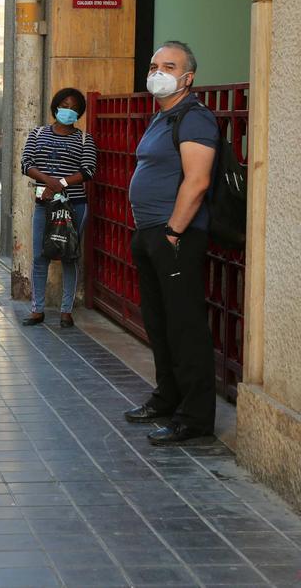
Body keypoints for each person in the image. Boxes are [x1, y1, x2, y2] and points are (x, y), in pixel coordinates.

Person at [122, 41, 219, 446]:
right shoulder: (160, 118)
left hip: (174, 236)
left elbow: (197, 181)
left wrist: (173, 233)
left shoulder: (194, 119)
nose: (157, 72)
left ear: (187, 77)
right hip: (150, 234)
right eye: (154, 65)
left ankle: (194, 418)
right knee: (159, 324)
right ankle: (167, 398)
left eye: (169, 66)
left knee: (184, 327)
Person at [20, 88, 97, 328]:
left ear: (79, 113)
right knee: (40, 255)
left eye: (74, 108)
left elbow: (88, 170)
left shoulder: (85, 139)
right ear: (55, 107)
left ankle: (66, 311)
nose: (69, 110)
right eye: (65, 105)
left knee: (69, 256)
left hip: (74, 206)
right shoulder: (37, 133)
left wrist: (61, 183)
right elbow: (26, 163)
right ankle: (37, 309)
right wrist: (48, 181)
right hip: (44, 203)